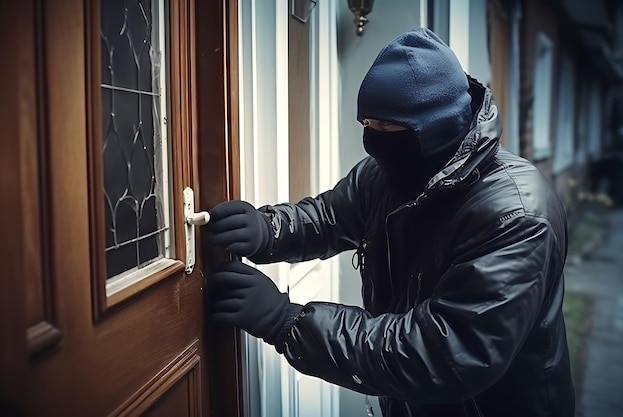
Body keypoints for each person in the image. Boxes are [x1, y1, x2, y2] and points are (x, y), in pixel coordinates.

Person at [207, 28, 575, 417]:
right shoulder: (385, 175)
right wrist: (269, 230)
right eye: (368, 124)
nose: (374, 140)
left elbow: (445, 352)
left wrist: (289, 321)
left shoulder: (517, 214)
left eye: (388, 128)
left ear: (437, 127)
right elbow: (329, 217)